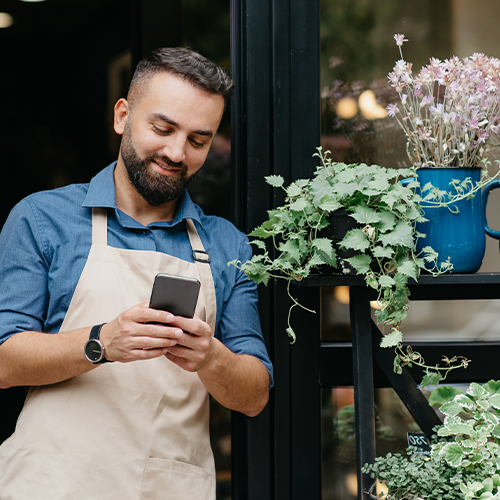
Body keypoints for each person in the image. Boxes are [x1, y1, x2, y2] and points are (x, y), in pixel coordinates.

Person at [0, 47, 272, 500]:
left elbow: (254, 395)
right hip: (50, 485)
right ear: (123, 116)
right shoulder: (43, 219)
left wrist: (210, 357)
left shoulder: (227, 245)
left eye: (198, 141)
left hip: (170, 487)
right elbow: (4, 361)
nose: (176, 152)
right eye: (162, 128)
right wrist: (102, 341)